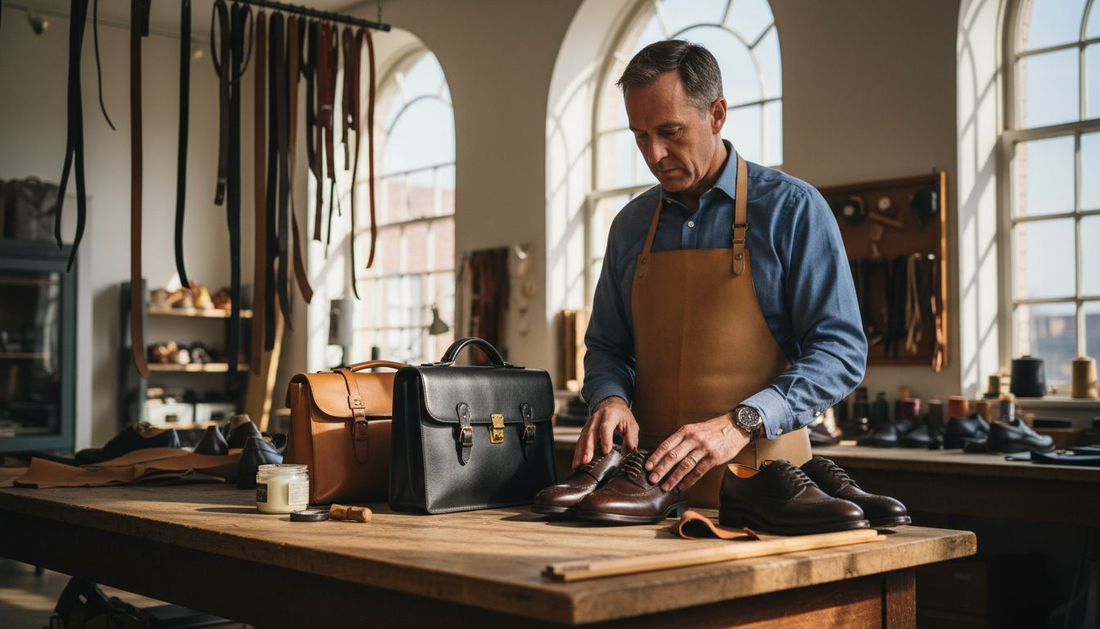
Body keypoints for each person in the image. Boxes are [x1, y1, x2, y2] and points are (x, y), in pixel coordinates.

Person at [576, 40, 867, 507]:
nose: (654, 154)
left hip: (767, 490)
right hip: (643, 496)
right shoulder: (630, 226)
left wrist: (742, 422)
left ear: (716, 114)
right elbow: (608, 346)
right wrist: (609, 398)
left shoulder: (793, 209)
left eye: (670, 131)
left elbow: (841, 350)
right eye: (640, 136)